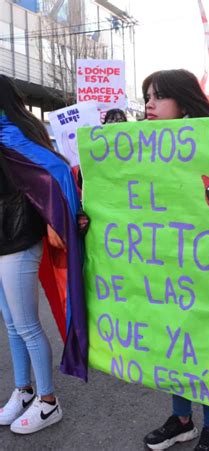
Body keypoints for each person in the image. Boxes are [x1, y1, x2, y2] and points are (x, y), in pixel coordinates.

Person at [140, 69, 209, 451]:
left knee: (204, 343)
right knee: (171, 343)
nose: (148, 104)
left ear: (183, 101)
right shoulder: (141, 147)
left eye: (158, 96)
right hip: (160, 267)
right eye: (146, 96)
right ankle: (181, 421)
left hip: (204, 268)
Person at [0, 75, 87, 434]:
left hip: (19, 236)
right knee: (12, 325)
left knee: (26, 325)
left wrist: (63, 216)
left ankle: (48, 402)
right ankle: (23, 392)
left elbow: (57, 170)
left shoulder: (9, 132)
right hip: (5, 237)